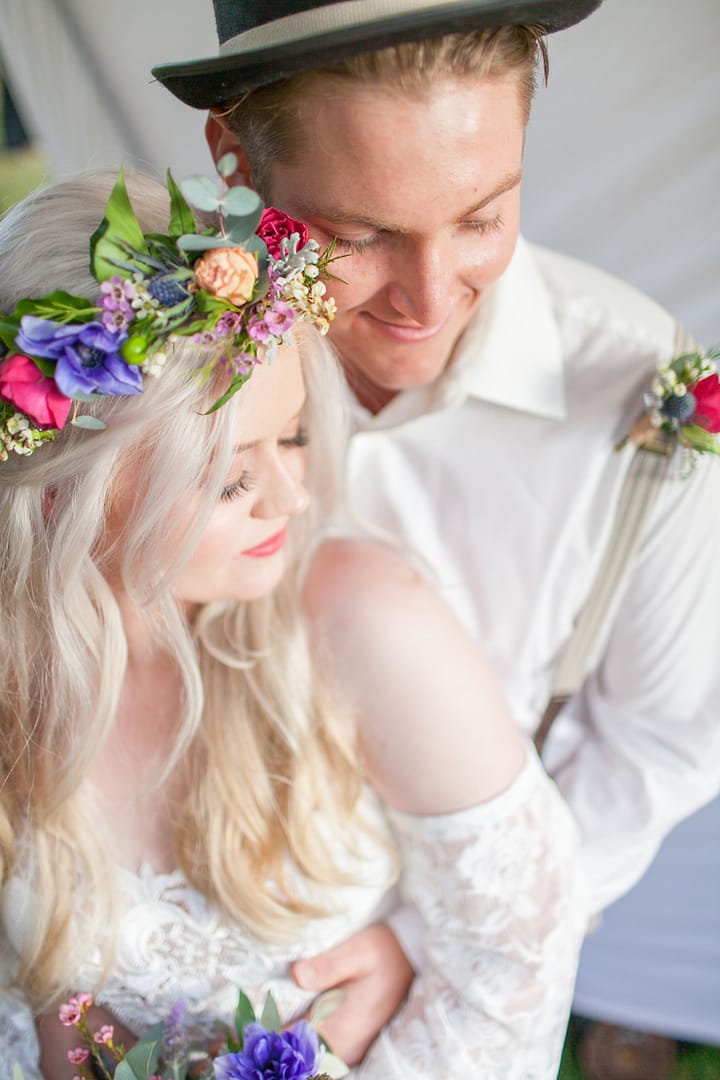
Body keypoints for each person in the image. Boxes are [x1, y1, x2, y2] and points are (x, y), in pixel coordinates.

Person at [151, 0, 720, 1066]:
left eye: (481, 218)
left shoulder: (646, 395)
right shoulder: (144, 357)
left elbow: (665, 738)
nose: (425, 298)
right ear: (233, 157)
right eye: (358, 237)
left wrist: (432, 942)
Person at [0, 170, 587, 1080]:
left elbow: (516, 956)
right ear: (69, 494)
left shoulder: (360, 616)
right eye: (233, 479)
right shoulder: (17, 686)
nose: (293, 494)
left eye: (298, 436)